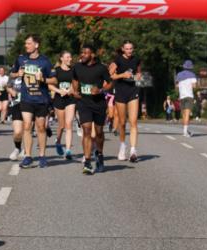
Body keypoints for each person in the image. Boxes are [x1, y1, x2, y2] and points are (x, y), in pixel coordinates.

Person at [10, 34, 55, 168]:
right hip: (26, 98)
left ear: (36, 45)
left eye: (29, 43)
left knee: (41, 127)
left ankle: (42, 156)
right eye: (26, 44)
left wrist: (43, 80)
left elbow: (54, 80)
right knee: (27, 126)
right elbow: (12, 73)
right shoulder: (21, 59)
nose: (26, 46)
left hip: (41, 99)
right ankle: (28, 156)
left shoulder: (45, 61)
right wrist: (17, 74)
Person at [72, 45, 112, 175]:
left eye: (85, 53)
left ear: (92, 55)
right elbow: (74, 79)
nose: (82, 55)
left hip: (99, 103)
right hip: (84, 102)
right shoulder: (77, 67)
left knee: (99, 132)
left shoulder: (101, 68)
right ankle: (87, 162)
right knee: (87, 130)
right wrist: (75, 91)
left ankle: (99, 155)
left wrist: (100, 90)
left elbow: (111, 82)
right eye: (81, 52)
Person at [108, 40, 141, 162]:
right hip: (121, 91)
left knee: (133, 122)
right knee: (122, 123)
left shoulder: (136, 59)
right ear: (123, 49)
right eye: (127, 49)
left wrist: (138, 76)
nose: (129, 51)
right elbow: (109, 75)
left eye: (131, 49)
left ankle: (133, 150)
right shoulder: (117, 60)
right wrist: (122, 75)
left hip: (133, 91)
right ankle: (122, 146)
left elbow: (139, 73)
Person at [49, 51, 76, 160]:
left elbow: (76, 84)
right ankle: (58, 141)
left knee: (69, 124)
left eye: (70, 57)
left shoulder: (74, 70)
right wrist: (59, 90)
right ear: (62, 59)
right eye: (67, 57)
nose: (70, 59)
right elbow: (50, 85)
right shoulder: (56, 71)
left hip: (70, 99)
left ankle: (68, 150)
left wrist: (71, 90)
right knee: (62, 125)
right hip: (59, 99)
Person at [176, 59, 198, 138]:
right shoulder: (192, 75)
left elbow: (177, 86)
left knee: (184, 115)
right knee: (187, 114)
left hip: (182, 96)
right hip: (189, 96)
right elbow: (194, 86)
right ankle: (185, 132)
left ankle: (186, 130)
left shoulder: (179, 75)